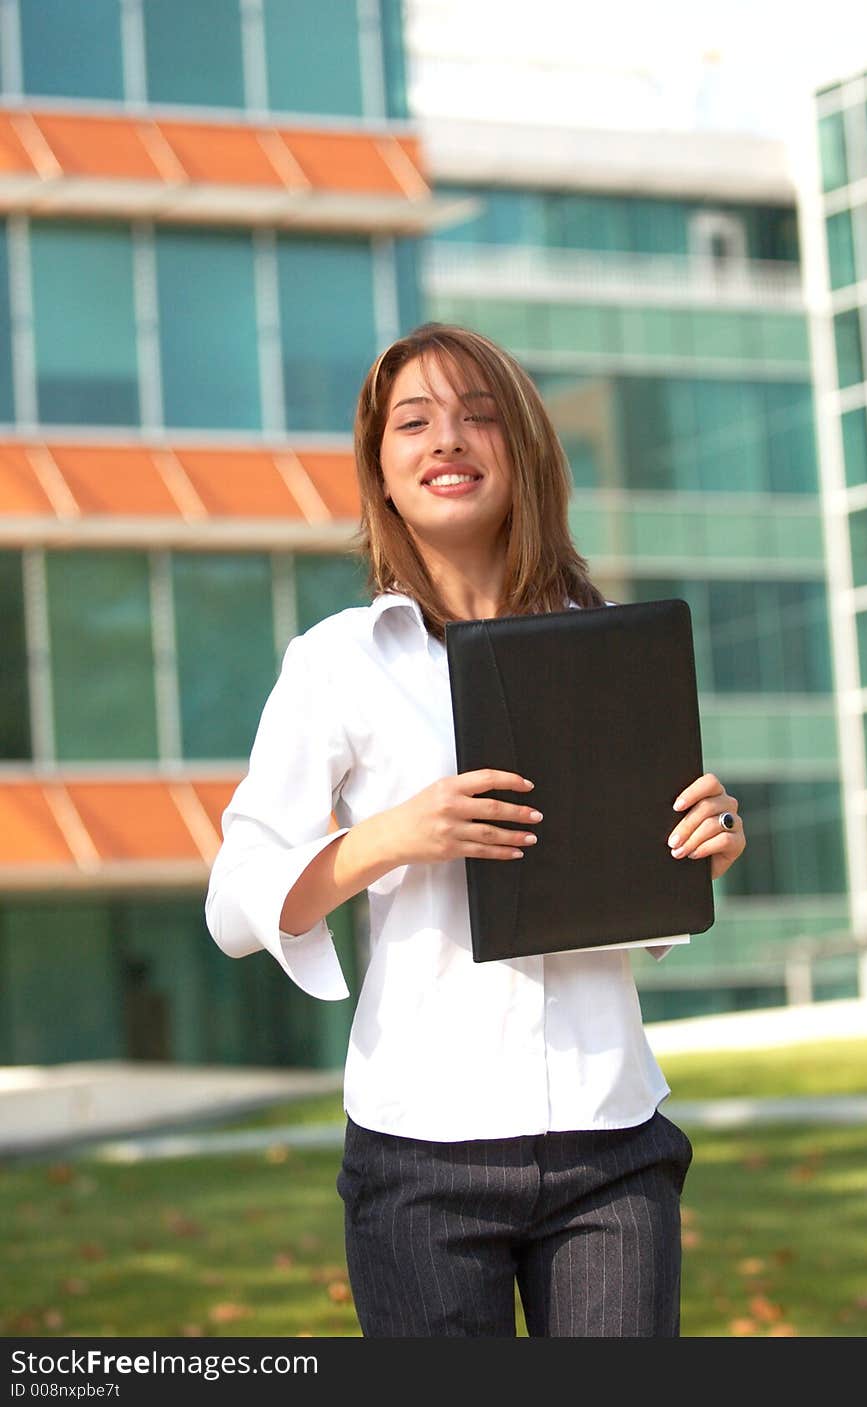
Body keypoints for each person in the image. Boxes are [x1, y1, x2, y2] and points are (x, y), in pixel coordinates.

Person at [205, 321, 747, 1338]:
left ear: (524, 454)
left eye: (477, 417)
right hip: (421, 1161)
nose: (445, 440)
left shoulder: (613, 642)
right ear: (383, 468)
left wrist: (696, 843)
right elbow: (237, 901)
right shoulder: (337, 663)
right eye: (413, 422)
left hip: (610, 1143)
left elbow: (639, 900)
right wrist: (391, 838)